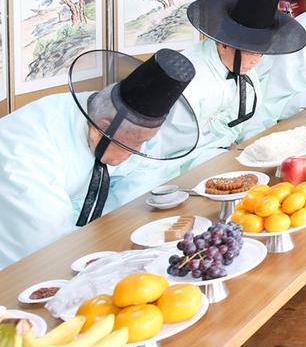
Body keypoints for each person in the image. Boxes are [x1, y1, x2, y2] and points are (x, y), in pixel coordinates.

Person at [0, 48, 199, 267]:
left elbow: (140, 185)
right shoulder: (27, 151)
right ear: (102, 128)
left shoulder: (120, 124)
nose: (138, 150)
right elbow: (47, 246)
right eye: (134, 142)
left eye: (145, 140)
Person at [153, 0, 306, 175]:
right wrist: (224, 152)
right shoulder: (190, 77)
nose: (256, 61)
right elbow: (176, 148)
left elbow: (251, 119)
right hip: (177, 164)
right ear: (224, 43)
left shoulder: (239, 63)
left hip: (225, 153)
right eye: (251, 52)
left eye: (260, 52)